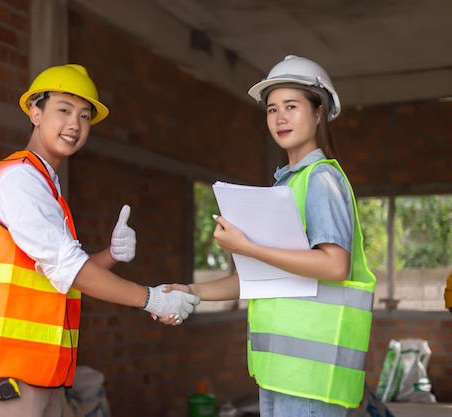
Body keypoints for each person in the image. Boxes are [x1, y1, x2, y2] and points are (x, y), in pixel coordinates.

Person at [0, 63, 200, 417]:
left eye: (84, 116)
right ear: (35, 112)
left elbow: (55, 274)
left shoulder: (46, 186)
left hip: (36, 370)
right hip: (8, 370)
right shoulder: (18, 179)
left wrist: (110, 255)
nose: (74, 125)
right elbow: (69, 268)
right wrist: (152, 299)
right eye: (63, 110)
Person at [161, 55, 376, 416]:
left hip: (311, 377)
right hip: (280, 372)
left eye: (291, 106)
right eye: (272, 109)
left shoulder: (321, 179)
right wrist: (194, 291)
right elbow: (263, 277)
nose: (280, 118)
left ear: (318, 111)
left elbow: (336, 265)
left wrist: (248, 246)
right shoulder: (287, 184)